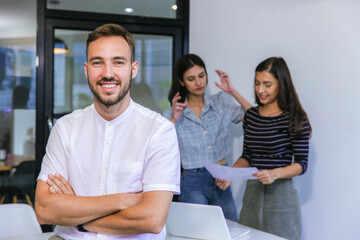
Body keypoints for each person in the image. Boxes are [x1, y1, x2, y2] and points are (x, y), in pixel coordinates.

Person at [35, 23, 180, 240]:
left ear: (133, 68)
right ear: (86, 69)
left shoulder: (159, 132)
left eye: (118, 62)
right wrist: (123, 200)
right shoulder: (65, 128)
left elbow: (151, 219)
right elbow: (45, 210)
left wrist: (78, 217)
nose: (108, 73)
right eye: (97, 62)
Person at [217, 57, 312, 240]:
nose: (261, 90)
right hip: (252, 193)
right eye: (257, 83)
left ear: (281, 85)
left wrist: (275, 173)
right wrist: (231, 173)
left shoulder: (295, 118)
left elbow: (302, 164)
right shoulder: (252, 116)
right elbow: (248, 156)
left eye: (267, 84)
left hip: (281, 195)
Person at [163, 54, 251, 222]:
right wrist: (174, 118)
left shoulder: (220, 103)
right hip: (192, 181)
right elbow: (160, 145)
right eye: (191, 78)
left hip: (221, 177)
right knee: (196, 233)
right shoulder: (172, 114)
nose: (198, 82)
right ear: (181, 82)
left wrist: (233, 92)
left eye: (201, 76)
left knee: (231, 229)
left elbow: (255, 118)